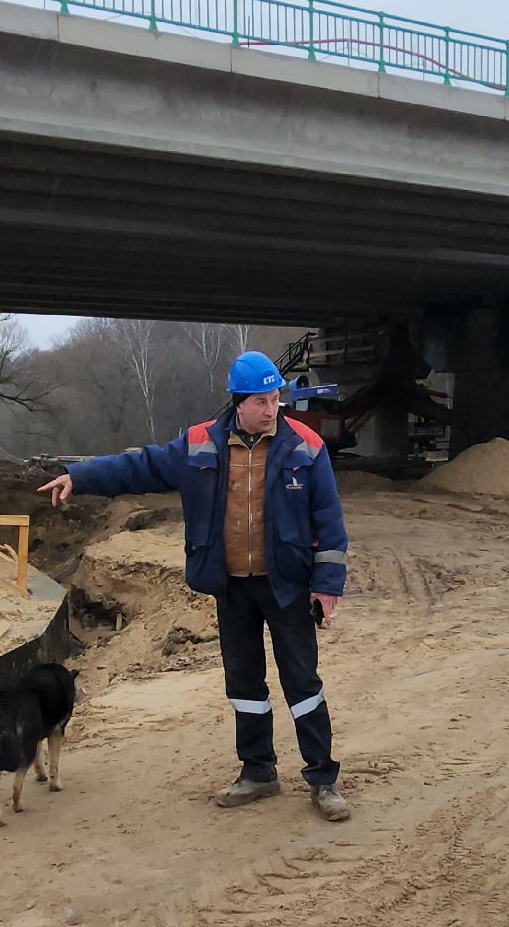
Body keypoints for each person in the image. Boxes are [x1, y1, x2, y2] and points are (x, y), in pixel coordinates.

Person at [39, 351, 352, 822]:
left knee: (303, 684)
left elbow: (329, 522)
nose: (273, 410)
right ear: (239, 402)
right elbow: (139, 467)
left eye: (276, 400)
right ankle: (258, 772)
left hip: (288, 586)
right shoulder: (200, 444)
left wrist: (327, 587)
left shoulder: (304, 446)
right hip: (232, 588)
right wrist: (79, 477)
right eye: (263, 401)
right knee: (244, 685)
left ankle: (323, 779)